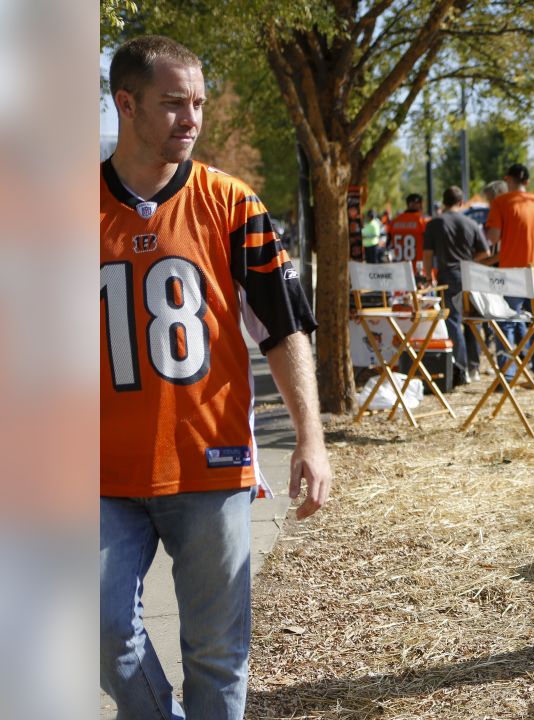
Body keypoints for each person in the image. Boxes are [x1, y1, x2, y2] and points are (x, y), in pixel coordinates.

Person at [100, 35, 332, 719]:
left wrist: (313, 441)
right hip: (96, 472)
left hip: (211, 464)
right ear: (126, 104)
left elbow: (285, 331)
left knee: (216, 653)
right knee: (102, 628)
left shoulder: (233, 204)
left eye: (198, 103)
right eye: (173, 104)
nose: (191, 118)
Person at [485, 163, 534, 388]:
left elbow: (493, 238)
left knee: (505, 322)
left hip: (512, 275)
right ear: (527, 181)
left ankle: (506, 375)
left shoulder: (501, 202)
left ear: (508, 179)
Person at [427, 185, 492, 384]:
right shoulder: (471, 223)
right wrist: (470, 259)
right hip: (471, 275)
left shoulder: (435, 223)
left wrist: (429, 278)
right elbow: (485, 253)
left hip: (448, 276)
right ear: (461, 202)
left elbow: (427, 256)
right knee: (472, 321)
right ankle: (474, 367)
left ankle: (460, 369)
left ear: (444, 202)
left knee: (453, 322)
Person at [387, 193, 431, 278]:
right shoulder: (423, 221)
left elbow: (388, 245)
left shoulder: (395, 221)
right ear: (418, 204)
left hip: (400, 269)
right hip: (419, 270)